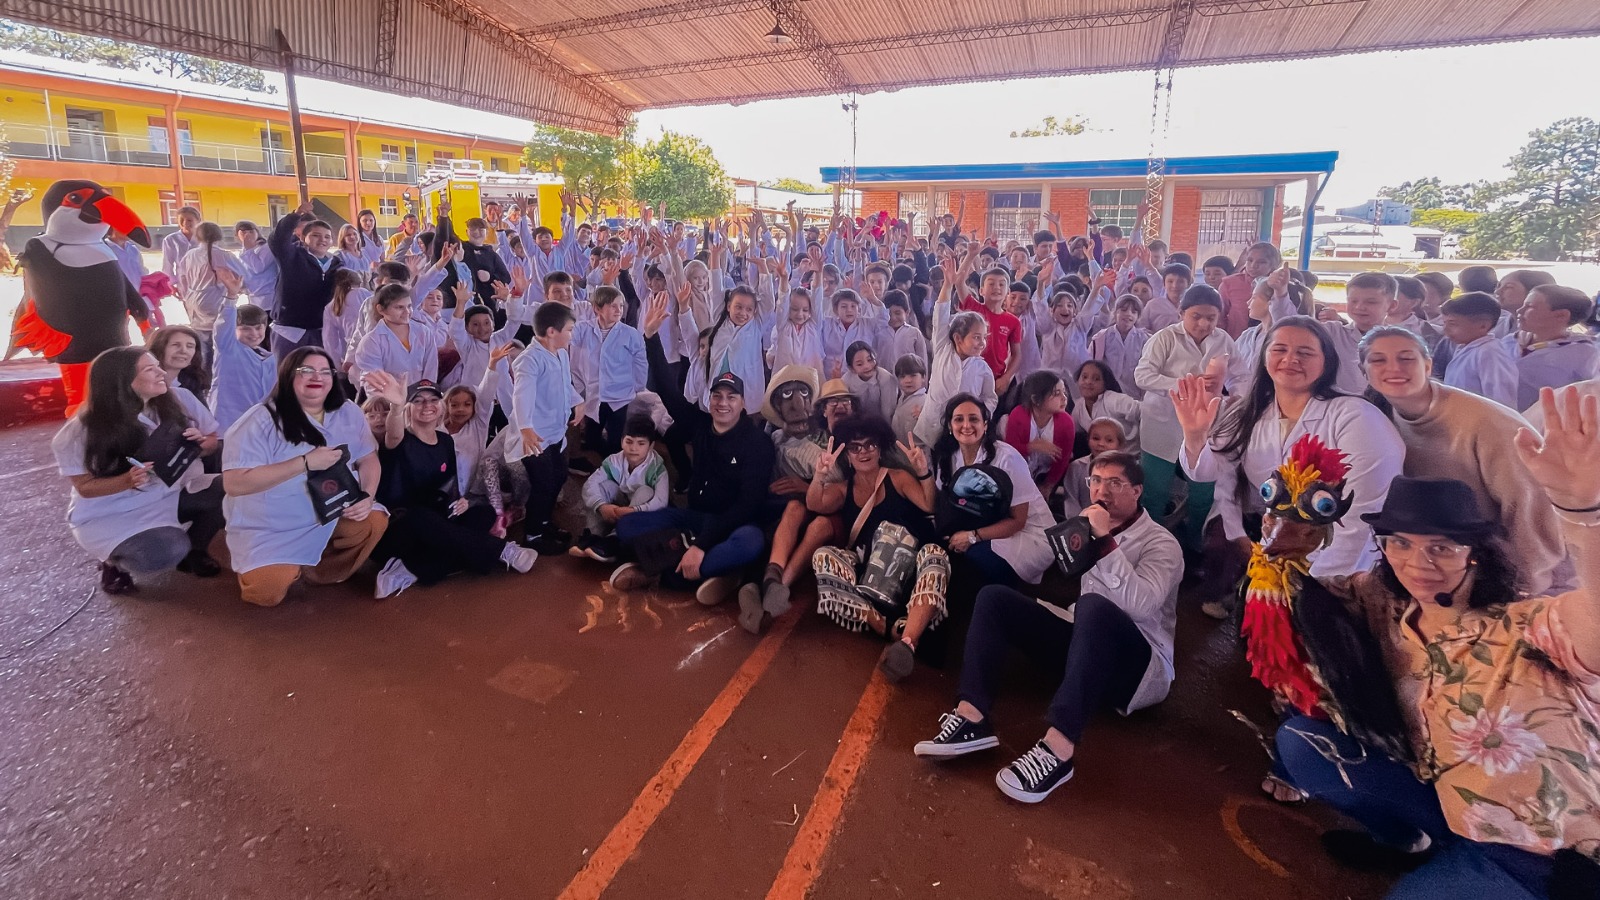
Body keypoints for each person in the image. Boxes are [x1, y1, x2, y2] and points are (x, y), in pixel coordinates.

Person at [1266, 398, 1600, 897]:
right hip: (1449, 808)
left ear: (1475, 555)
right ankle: (1406, 843)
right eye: (1400, 543)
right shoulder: (1380, 605)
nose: (1418, 562)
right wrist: (1289, 534)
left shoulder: (1531, 627)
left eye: (1441, 547)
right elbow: (1287, 590)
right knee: (1304, 744)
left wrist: (1583, 514)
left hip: (1541, 853)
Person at [914, 451, 1183, 804]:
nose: (1102, 490)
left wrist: (1104, 540)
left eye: (1115, 483)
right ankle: (971, 717)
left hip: (1135, 670)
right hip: (1085, 648)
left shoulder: (1162, 544)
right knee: (995, 598)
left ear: (1137, 491)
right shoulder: (1086, 523)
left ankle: (1058, 750)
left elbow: (1141, 606)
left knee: (1093, 607)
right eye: (1096, 481)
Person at [1175, 317, 1405, 582]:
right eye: (1279, 349)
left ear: (1327, 362)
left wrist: (1312, 578)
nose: (1291, 359)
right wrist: (1195, 436)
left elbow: (1362, 515)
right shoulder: (1246, 413)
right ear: (1264, 358)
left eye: (1305, 352)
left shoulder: (1355, 417)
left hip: (1345, 563)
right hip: (1274, 544)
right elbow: (1210, 473)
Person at [1360, 326, 1569, 594]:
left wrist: (1524, 585)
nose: (1394, 368)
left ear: (1427, 365)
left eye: (1406, 358)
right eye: (1378, 360)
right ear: (1364, 370)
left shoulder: (1488, 423)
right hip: (1427, 565)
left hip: (1492, 570)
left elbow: (1532, 509)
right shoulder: (1376, 417)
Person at [612, 293, 775, 604]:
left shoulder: (758, 443)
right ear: (709, 399)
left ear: (743, 403)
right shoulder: (700, 424)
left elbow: (747, 505)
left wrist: (702, 544)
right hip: (694, 519)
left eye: (731, 397)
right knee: (627, 525)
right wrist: (651, 338)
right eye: (717, 396)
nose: (723, 403)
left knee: (750, 543)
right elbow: (667, 390)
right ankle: (708, 569)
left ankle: (666, 568)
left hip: (732, 524)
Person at [219, 348, 388, 607]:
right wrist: (304, 463)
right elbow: (235, 483)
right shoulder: (260, 420)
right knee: (266, 594)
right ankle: (248, 557)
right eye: (306, 370)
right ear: (288, 376)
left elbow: (368, 458)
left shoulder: (348, 411)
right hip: (274, 524)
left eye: (325, 371)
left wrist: (367, 495)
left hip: (330, 510)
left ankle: (319, 572)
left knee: (373, 520)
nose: (316, 377)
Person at [52, 347, 225, 593]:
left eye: (158, 366)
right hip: (115, 511)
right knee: (167, 550)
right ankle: (113, 563)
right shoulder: (80, 431)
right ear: (122, 381)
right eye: (150, 369)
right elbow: (85, 487)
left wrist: (198, 444)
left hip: (167, 493)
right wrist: (126, 480)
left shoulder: (172, 402)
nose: (161, 373)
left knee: (232, 487)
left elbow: (211, 444)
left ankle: (194, 551)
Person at [364, 376, 537, 598]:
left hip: (435, 528)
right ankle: (501, 550)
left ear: (441, 406)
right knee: (420, 516)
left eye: (433, 400)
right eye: (418, 400)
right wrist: (396, 406)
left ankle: (410, 569)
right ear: (408, 408)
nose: (427, 405)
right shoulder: (400, 440)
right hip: (399, 529)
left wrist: (460, 502)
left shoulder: (445, 442)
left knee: (483, 515)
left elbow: (448, 487)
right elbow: (393, 432)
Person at [804, 415, 947, 680]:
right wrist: (819, 476)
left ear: (880, 448)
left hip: (911, 568)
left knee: (936, 556)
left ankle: (907, 642)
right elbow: (815, 504)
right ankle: (886, 627)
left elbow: (929, 505)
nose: (864, 451)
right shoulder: (843, 489)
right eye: (855, 447)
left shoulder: (898, 477)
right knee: (823, 557)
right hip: (868, 574)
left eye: (870, 444)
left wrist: (923, 471)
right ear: (847, 456)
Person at [1134, 284, 1236, 555]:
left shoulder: (1224, 340)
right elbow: (1142, 376)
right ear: (1181, 313)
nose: (1204, 324)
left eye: (1211, 318)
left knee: (1204, 492)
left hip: (1206, 428)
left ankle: (1195, 545)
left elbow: (1242, 375)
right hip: (1162, 426)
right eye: (1196, 316)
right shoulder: (1165, 338)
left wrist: (1236, 396)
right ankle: (1150, 547)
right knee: (1155, 491)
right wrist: (1185, 384)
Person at [932, 395, 1055, 591]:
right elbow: (942, 503)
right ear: (949, 425)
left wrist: (972, 536)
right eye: (959, 419)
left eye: (973, 419)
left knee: (974, 557)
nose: (966, 425)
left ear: (985, 425)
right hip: (983, 523)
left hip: (1028, 532)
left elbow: (1018, 521)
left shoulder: (1007, 458)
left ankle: (1004, 597)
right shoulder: (948, 457)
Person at [510, 301, 583, 553]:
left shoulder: (560, 353)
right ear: (552, 331)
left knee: (558, 476)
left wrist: (578, 401)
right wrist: (525, 428)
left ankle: (543, 522)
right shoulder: (529, 360)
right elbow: (522, 395)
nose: (572, 335)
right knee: (543, 484)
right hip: (535, 437)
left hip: (555, 432)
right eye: (569, 330)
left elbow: (565, 384)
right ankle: (533, 535)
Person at [573, 414, 670, 564]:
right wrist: (602, 506)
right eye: (629, 441)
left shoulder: (657, 468)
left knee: (646, 491)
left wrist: (634, 510)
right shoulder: (614, 461)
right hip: (617, 510)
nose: (633, 448)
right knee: (603, 487)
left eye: (641, 443)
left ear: (651, 446)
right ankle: (594, 534)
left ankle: (615, 540)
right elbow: (589, 484)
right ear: (621, 441)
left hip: (637, 516)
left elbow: (661, 501)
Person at [570, 285, 647, 457]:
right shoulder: (582, 329)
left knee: (616, 439)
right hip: (593, 394)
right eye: (613, 306)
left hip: (619, 396)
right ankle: (602, 459)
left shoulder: (630, 334)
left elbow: (640, 363)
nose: (618, 310)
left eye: (621, 306)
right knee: (591, 438)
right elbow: (574, 360)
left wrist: (636, 387)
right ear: (597, 309)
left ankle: (613, 464)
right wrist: (579, 391)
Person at [268, 202, 343, 360]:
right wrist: (295, 215)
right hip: (290, 331)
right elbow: (278, 240)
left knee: (319, 371)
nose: (322, 240)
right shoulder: (292, 256)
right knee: (287, 371)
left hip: (321, 331)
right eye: (315, 235)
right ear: (303, 238)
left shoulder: (337, 265)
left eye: (327, 237)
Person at [1514, 284, 1599, 410]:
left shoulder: (1584, 354)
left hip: (1539, 418)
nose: (1519, 311)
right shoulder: (1510, 340)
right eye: (1523, 305)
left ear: (1561, 315)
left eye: (1530, 306)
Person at [174, 222, 244, 364]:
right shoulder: (223, 255)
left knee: (202, 345)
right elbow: (244, 276)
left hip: (192, 299)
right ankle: (216, 373)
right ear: (219, 235)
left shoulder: (190, 254)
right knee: (220, 343)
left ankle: (202, 373)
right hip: (213, 299)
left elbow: (182, 278)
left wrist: (187, 295)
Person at [1001, 370, 1075, 503]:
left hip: (1047, 473)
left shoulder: (1066, 422)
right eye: (1056, 393)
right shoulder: (1018, 415)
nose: (1064, 398)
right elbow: (1009, 451)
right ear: (1035, 399)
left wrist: (1049, 485)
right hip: (1018, 470)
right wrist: (1031, 447)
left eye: (1064, 392)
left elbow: (1062, 459)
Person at [351, 283, 441, 388]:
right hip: (388, 397)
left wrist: (425, 393)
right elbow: (374, 384)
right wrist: (396, 397)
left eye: (409, 306)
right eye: (399, 307)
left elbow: (431, 370)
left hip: (421, 395)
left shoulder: (424, 332)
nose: (407, 312)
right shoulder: (371, 342)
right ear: (381, 309)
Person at [208, 299, 277, 434]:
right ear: (233, 330)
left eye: (258, 328)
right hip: (228, 425)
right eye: (245, 328)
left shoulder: (270, 358)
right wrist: (231, 298)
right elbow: (224, 324)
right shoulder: (228, 348)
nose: (254, 333)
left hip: (260, 427)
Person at [1441, 291, 1518, 409]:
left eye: (1453, 324)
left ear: (1483, 326)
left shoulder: (1490, 353)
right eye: (1444, 323)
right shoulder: (1465, 347)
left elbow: (1502, 399)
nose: (1445, 329)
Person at [1070, 360, 1140, 456]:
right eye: (1084, 377)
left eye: (1096, 379)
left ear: (1105, 383)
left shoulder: (1114, 400)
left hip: (1131, 457)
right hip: (1101, 459)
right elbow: (1072, 432)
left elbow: (1144, 411)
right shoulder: (1079, 407)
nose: (1088, 382)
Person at [1088, 294, 1149, 400]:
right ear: (1115, 312)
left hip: (1134, 396)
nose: (1128, 314)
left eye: (1134, 312)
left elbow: (1147, 370)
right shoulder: (1101, 337)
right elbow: (1091, 366)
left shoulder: (1145, 339)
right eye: (1123, 310)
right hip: (1106, 395)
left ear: (1138, 317)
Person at [147, 325, 209, 402]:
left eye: (190, 346)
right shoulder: (143, 384)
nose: (183, 351)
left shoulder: (192, 385)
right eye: (176, 345)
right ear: (158, 348)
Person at [843, 341, 897, 421]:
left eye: (869, 360)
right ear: (851, 369)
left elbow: (888, 412)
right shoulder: (846, 381)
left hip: (882, 423)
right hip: (855, 423)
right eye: (860, 364)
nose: (867, 366)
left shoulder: (886, 378)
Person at [891, 354, 928, 438]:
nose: (908, 380)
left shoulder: (926, 402)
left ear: (923, 377)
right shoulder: (900, 398)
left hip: (916, 446)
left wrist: (924, 418)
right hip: (897, 445)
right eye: (902, 376)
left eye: (913, 376)